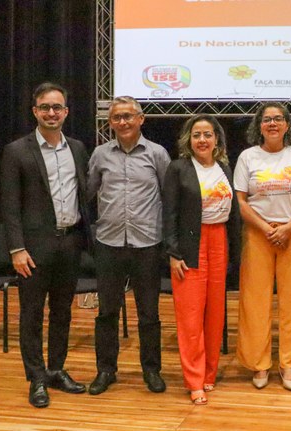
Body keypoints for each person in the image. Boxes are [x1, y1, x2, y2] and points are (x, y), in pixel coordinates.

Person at [0, 82, 89, 407]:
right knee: (32, 315)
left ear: (66, 112)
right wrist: (16, 249)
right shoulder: (16, 151)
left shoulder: (77, 148)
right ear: (35, 111)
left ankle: (56, 370)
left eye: (57, 107)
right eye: (45, 107)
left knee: (63, 312)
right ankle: (36, 378)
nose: (52, 113)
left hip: (70, 243)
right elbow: (9, 205)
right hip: (33, 249)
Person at [86, 96, 170, 396]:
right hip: (109, 243)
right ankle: (105, 370)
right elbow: (88, 193)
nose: (123, 122)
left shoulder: (157, 154)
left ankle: (151, 370)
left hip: (147, 244)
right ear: (110, 122)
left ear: (141, 119)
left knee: (148, 313)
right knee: (107, 312)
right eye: (117, 117)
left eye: (128, 116)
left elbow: (168, 196)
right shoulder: (100, 154)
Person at [234, 102, 291, 391]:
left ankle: (289, 363)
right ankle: (260, 363)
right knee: (255, 300)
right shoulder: (247, 157)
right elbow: (241, 201)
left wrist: (288, 228)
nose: (272, 123)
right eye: (267, 119)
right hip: (259, 233)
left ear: (287, 125)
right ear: (259, 125)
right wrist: (267, 228)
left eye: (278, 119)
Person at [163, 114, 240, 405]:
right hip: (189, 247)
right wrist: (173, 253)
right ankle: (194, 380)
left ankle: (209, 373)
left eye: (208, 134)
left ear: (216, 139)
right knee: (191, 317)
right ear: (189, 140)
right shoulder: (178, 168)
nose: (202, 140)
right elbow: (169, 214)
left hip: (219, 241)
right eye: (196, 135)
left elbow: (234, 214)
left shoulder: (225, 168)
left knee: (215, 314)